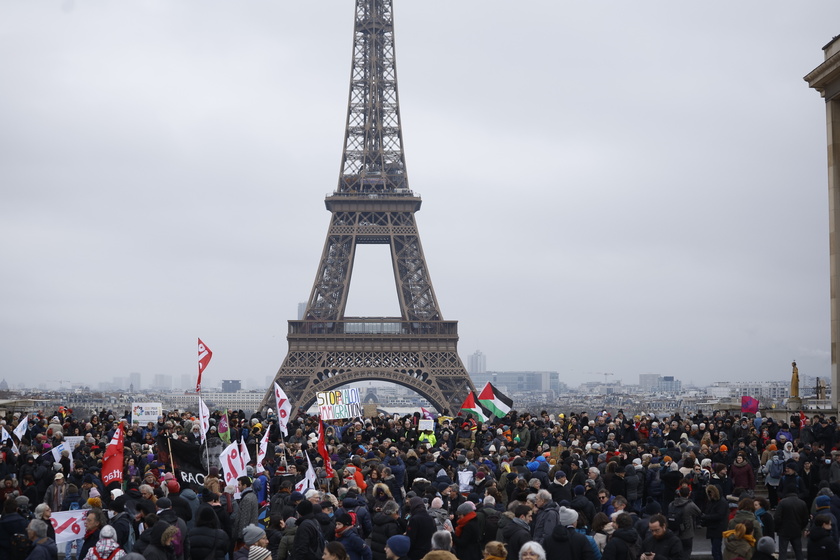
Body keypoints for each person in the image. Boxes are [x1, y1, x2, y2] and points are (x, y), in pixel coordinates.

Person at [774, 489, 809, 560]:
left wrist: (777, 528)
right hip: (796, 530)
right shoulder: (802, 503)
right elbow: (805, 519)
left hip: (783, 531)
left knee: (783, 552)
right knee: (798, 552)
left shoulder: (782, 502)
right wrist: (801, 527)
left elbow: (777, 517)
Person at [232, 477, 259, 544]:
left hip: (246, 535)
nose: (238, 487)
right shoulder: (253, 495)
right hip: (252, 531)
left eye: (239, 485)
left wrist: (240, 535)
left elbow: (244, 518)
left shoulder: (247, 498)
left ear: (245, 485)